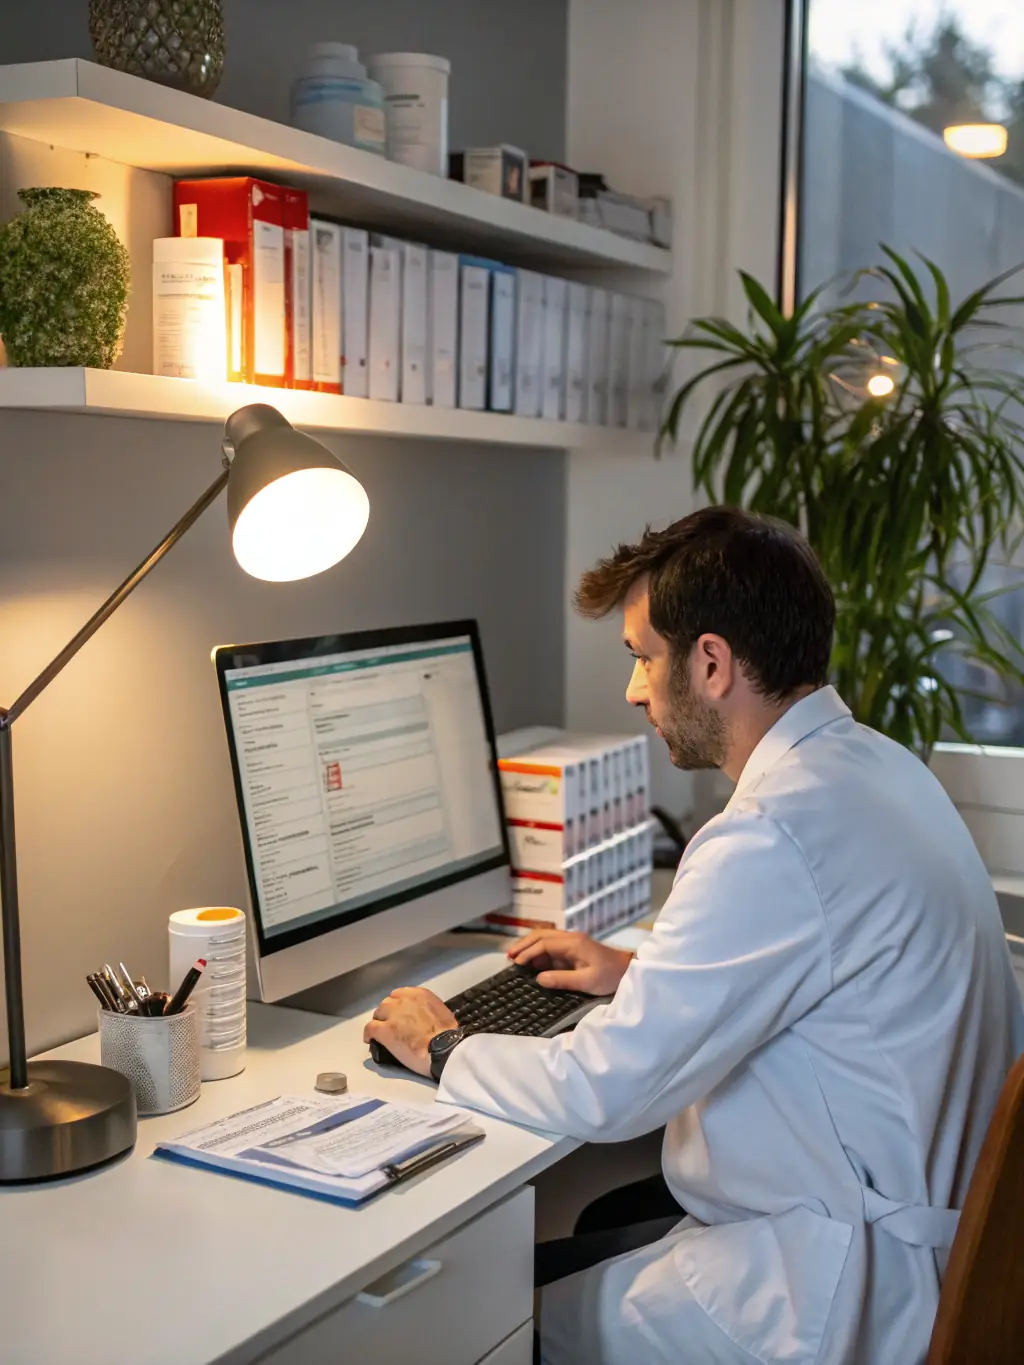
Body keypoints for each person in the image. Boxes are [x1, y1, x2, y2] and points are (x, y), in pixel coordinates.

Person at [364, 506, 1024, 1365]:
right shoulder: (876, 767)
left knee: (488, 1325)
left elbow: (605, 1091)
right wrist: (641, 971)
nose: (633, 689)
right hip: (931, 1248)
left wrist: (446, 1045)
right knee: (596, 1224)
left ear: (710, 663)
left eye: (643, 657)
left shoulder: (772, 831)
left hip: (848, 1290)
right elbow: (834, 976)